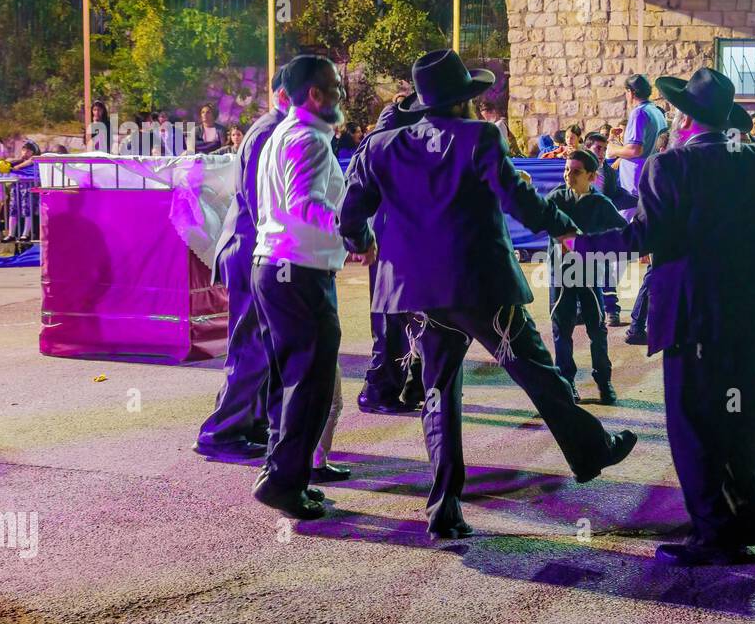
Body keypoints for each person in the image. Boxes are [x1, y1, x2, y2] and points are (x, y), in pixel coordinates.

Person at [572, 68, 755, 566]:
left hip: (695, 318)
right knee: (742, 422)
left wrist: (575, 245)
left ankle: (715, 534)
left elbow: (640, 238)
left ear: (686, 118)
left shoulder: (668, 168)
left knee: (694, 426)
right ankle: (750, 520)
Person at [339, 49, 637, 539]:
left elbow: (350, 214)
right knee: (535, 372)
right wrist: (566, 228)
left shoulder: (381, 147)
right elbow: (520, 202)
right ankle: (590, 449)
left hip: (418, 291)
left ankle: (445, 505)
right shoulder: (480, 138)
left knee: (438, 391)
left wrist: (362, 243)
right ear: (463, 102)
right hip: (479, 283)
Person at [250, 55, 357, 520]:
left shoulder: (282, 134)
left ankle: (283, 476)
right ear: (315, 94)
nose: (341, 96)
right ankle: (284, 482)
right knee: (310, 385)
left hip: (275, 267)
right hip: (299, 270)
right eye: (335, 87)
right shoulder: (309, 139)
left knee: (290, 381)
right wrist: (355, 231)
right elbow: (305, 205)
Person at [196, 68, 293, 462]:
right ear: (287, 94)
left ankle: (245, 422)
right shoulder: (271, 130)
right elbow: (259, 200)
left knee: (261, 345)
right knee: (251, 346)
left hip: (252, 246)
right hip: (250, 247)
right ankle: (222, 432)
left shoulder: (272, 127)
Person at [348, 91, 424, 415]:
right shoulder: (387, 142)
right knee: (392, 316)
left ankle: (409, 384)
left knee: (406, 315)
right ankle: (379, 389)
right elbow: (353, 201)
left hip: (396, 235)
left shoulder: (385, 139)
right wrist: (361, 241)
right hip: (392, 236)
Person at [545, 149, 627, 404]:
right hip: (561, 273)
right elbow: (536, 218)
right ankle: (566, 383)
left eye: (576, 171)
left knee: (597, 329)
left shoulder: (601, 204)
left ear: (591, 176)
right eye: (567, 169)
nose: (569, 175)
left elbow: (623, 235)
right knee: (562, 329)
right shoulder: (556, 198)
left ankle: (604, 381)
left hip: (591, 273)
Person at [606, 74, 668, 346]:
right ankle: (640, 316)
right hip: (653, 185)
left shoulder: (639, 113)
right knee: (650, 253)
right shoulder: (658, 112)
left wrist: (613, 149)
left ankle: (608, 306)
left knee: (618, 249)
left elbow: (635, 149)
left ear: (630, 92)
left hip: (633, 190)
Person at [584, 130, 632, 326]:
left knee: (605, 268)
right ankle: (581, 309)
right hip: (581, 227)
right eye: (598, 148)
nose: (602, 153)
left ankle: (611, 309)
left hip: (601, 228)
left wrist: (639, 200)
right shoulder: (576, 169)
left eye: (604, 149)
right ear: (586, 149)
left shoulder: (610, 172)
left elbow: (615, 194)